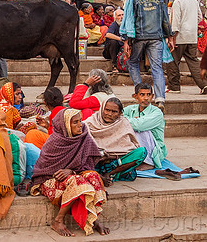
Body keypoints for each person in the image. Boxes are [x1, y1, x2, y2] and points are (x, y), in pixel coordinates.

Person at [30, 108, 109, 237]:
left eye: (80, 121)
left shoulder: (84, 136)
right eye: (75, 122)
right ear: (65, 125)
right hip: (48, 180)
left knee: (93, 176)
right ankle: (58, 221)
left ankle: (93, 219)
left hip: (73, 175)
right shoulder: (54, 142)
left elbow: (88, 165)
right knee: (78, 181)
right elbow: (47, 171)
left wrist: (71, 171)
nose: (80, 125)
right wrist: (70, 174)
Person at [120, 0, 173, 112]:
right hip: (156, 37)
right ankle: (160, 98)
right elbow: (165, 19)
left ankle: (141, 93)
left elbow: (129, 19)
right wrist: (170, 37)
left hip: (138, 37)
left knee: (132, 63)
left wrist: (126, 40)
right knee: (157, 67)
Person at [85, 97, 146, 185]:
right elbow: (86, 145)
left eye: (114, 112)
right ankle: (104, 175)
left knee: (141, 152)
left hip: (114, 162)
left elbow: (129, 148)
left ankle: (110, 174)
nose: (109, 114)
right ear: (102, 109)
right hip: (96, 161)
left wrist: (110, 157)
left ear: (120, 113)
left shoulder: (123, 123)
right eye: (107, 110)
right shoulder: (90, 122)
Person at [166, 0, 207, 94]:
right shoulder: (193, 0)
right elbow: (199, 17)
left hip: (180, 37)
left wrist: (172, 37)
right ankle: (204, 84)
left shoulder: (178, 2)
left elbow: (176, 21)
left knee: (173, 61)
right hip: (192, 36)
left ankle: (174, 86)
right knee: (193, 61)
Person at [123, 83, 167, 169]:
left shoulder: (157, 112)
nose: (146, 98)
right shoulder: (131, 109)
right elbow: (118, 116)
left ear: (152, 96)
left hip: (155, 150)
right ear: (135, 96)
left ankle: (148, 162)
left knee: (141, 130)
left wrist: (130, 121)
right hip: (135, 146)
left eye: (148, 95)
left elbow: (139, 126)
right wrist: (133, 121)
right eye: (142, 95)